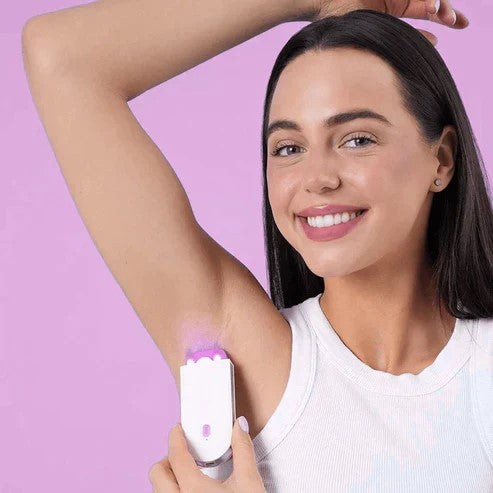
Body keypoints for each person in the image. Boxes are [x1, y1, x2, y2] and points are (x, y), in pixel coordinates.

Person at [21, 0, 493, 490]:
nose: (317, 178)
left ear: (441, 160)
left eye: (356, 139)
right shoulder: (251, 355)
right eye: (289, 148)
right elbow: (62, 57)